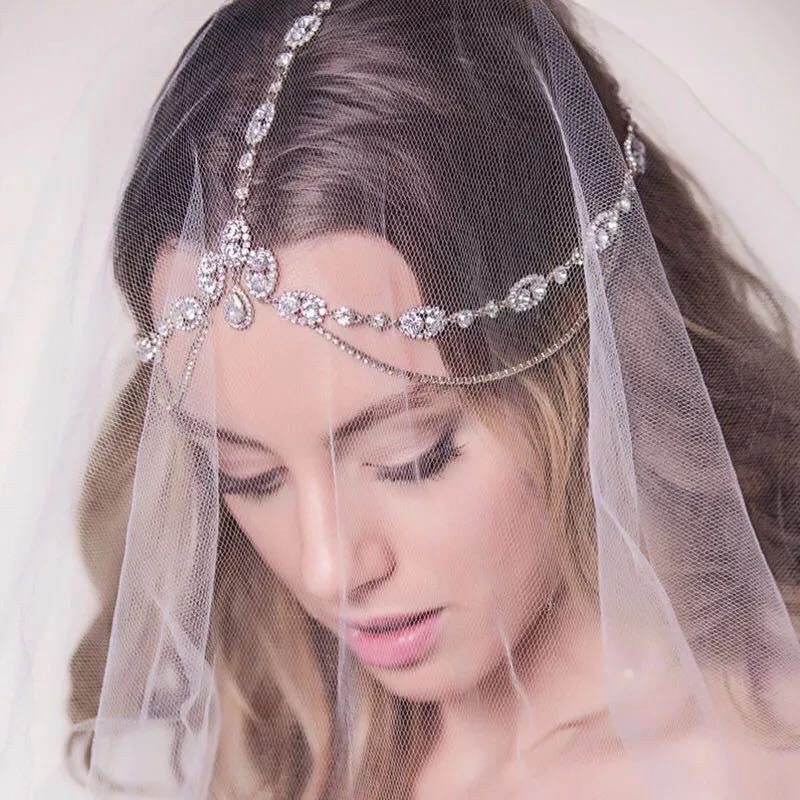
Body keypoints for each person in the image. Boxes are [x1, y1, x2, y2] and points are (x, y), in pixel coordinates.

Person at [61, 0, 800, 796]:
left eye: (411, 460)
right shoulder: (271, 738)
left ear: (590, 368)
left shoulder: (754, 761)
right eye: (247, 475)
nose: (328, 568)